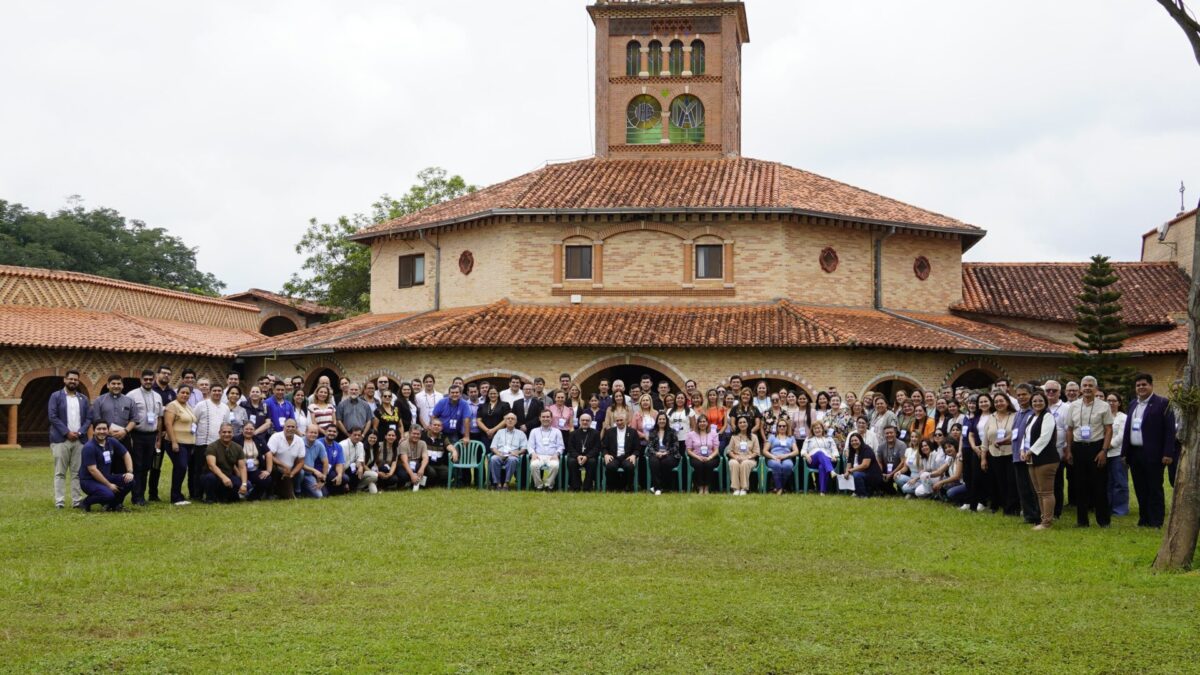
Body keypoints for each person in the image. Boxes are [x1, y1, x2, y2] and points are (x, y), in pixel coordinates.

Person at [1122, 373, 1176, 528]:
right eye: (1138, 385)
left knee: (1154, 488)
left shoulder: (1163, 403)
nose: (1141, 387)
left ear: (1151, 385)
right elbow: (1128, 430)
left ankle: (1156, 520)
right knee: (1140, 487)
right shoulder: (1133, 404)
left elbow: (1169, 431)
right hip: (1135, 453)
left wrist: (1168, 453)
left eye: (1144, 384)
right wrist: (1124, 453)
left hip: (1154, 454)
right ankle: (1144, 518)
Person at [1065, 376, 1113, 528]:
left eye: (1090, 385)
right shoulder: (1073, 406)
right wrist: (1069, 450)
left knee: (1099, 485)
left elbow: (1108, 429)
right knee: (1080, 486)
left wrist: (1104, 450)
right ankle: (1082, 521)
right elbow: (1070, 429)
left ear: (1096, 389)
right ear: (1080, 388)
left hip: (1096, 447)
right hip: (1078, 448)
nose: (1087, 388)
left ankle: (1103, 521)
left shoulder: (1104, 406)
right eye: (1084, 385)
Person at [48, 369, 91, 509]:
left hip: (79, 440)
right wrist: (67, 433)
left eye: (76, 380)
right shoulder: (56, 396)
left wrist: (80, 432)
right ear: (65, 380)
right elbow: (52, 416)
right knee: (60, 472)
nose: (73, 381)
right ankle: (59, 501)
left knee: (77, 472)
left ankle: (76, 501)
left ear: (78, 382)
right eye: (70, 379)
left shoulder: (83, 399)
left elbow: (89, 418)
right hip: (61, 440)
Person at [77, 421, 135, 512]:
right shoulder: (89, 447)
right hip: (89, 481)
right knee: (108, 494)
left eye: (104, 429)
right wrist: (109, 485)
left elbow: (126, 454)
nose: (102, 431)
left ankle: (114, 505)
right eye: (99, 429)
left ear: (108, 430)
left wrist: (129, 472)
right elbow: (93, 470)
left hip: (106, 477)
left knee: (130, 481)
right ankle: (85, 502)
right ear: (94, 431)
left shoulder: (111, 441)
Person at [1022, 391, 1059, 530]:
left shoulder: (1048, 416)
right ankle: (1043, 518)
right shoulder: (1031, 417)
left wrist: (1030, 451)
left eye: (1040, 401)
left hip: (1046, 459)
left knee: (1046, 492)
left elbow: (1045, 437)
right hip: (1032, 459)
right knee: (1039, 492)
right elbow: (1025, 436)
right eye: (1035, 401)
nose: (1037, 403)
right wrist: (1022, 450)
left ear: (1045, 402)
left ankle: (1047, 522)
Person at [1009, 383, 1040, 524]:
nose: (1021, 397)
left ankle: (1038, 515)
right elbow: (1015, 435)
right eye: (1019, 395)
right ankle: (1029, 515)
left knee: (1034, 488)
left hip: (1031, 456)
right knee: (1023, 488)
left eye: (1024, 394)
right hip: (1017, 455)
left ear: (1031, 394)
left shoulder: (1035, 412)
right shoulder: (1017, 414)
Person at [982, 392, 1017, 515]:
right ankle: (1004, 506)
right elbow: (985, 440)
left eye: (1001, 401)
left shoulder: (1015, 416)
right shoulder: (991, 417)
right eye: (996, 402)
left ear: (1007, 402)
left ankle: (1012, 508)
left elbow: (1017, 433)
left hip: (1011, 453)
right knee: (999, 482)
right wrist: (983, 458)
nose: (999, 404)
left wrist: (1005, 440)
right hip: (994, 454)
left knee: (1012, 482)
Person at [163, 385, 197, 506]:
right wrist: (174, 442)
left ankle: (178, 494)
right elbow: (168, 424)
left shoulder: (188, 406)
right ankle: (175, 497)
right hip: (177, 442)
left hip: (188, 443)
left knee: (182, 468)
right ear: (177, 393)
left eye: (187, 393)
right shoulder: (173, 405)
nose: (185, 395)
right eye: (182, 392)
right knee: (181, 467)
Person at [200, 423, 247, 503]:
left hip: (229, 476)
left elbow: (242, 467)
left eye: (229, 432)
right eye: (224, 432)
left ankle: (225, 496)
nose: (227, 434)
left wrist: (244, 484)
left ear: (233, 433)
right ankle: (210, 498)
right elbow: (212, 466)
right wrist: (223, 477)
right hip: (214, 475)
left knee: (244, 486)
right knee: (209, 478)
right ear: (219, 433)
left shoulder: (238, 447)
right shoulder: (212, 447)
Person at [267, 418, 306, 499]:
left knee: (289, 497)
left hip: (289, 472)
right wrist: (284, 466)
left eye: (293, 427)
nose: (290, 429)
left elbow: (301, 462)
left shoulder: (300, 441)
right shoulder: (275, 437)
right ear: (283, 427)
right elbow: (269, 455)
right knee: (273, 469)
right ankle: (270, 493)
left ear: (296, 428)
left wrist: (292, 473)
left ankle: (295, 491)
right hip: (276, 468)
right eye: (288, 426)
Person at [90, 374, 135, 444]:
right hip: (104, 438)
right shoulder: (99, 400)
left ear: (122, 385)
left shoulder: (130, 401)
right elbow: (96, 419)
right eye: (113, 384)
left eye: (119, 384)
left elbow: (134, 420)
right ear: (108, 385)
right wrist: (107, 430)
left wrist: (125, 431)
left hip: (124, 437)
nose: (116, 386)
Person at [602, 411, 641, 492]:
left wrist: (634, 455)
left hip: (627, 456)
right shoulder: (609, 432)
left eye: (621, 420)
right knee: (610, 466)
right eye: (617, 420)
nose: (619, 422)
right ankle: (612, 487)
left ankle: (628, 487)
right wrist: (606, 455)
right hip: (614, 456)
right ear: (615, 422)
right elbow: (604, 447)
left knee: (629, 466)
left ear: (626, 420)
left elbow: (637, 448)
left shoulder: (633, 432)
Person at [1106, 391, 1130, 517]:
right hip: (1104, 454)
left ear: (1119, 403)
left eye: (1114, 401)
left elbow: (1122, 435)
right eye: (1108, 400)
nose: (1111, 403)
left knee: (1119, 482)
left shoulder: (1123, 418)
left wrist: (1109, 445)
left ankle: (1120, 509)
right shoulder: (1103, 416)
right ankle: (1108, 507)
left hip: (1117, 453)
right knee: (1108, 482)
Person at [488, 413, 527, 490]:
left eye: (512, 419)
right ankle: (498, 483)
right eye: (508, 418)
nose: (510, 420)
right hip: (500, 454)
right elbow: (493, 446)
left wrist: (517, 453)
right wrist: (499, 454)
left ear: (516, 421)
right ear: (505, 421)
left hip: (513, 455)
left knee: (512, 460)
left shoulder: (521, 433)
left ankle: (506, 483)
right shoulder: (499, 432)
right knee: (493, 459)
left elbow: (524, 448)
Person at [528, 410, 564, 491]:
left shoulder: (557, 431)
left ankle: (549, 485)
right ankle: (539, 486)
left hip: (552, 456)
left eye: (548, 417)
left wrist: (557, 454)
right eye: (543, 417)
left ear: (551, 419)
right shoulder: (534, 431)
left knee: (554, 466)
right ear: (539, 418)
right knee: (533, 465)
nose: (545, 419)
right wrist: (533, 453)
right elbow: (530, 446)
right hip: (538, 456)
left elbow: (561, 446)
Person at [645, 412, 679, 495]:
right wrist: (656, 453)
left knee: (665, 462)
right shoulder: (652, 431)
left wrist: (666, 452)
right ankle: (658, 488)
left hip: (670, 454)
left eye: (663, 419)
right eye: (660, 419)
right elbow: (650, 446)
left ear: (666, 421)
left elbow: (676, 446)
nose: (662, 421)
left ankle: (659, 487)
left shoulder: (672, 431)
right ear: (657, 421)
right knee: (654, 462)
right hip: (656, 454)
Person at [801, 420, 838, 494]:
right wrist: (806, 455)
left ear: (822, 429)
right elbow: (803, 450)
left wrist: (834, 456)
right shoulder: (809, 439)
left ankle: (822, 491)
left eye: (819, 428)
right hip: (812, 460)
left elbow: (834, 450)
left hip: (828, 460)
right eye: (815, 428)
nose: (817, 430)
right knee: (819, 452)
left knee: (822, 467)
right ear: (812, 430)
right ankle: (831, 470)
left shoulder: (829, 439)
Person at [686, 415, 721, 494]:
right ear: (697, 423)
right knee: (699, 464)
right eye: (700, 422)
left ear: (707, 423)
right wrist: (698, 457)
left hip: (711, 457)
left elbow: (716, 450)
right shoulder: (691, 434)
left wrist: (710, 457)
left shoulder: (713, 433)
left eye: (704, 421)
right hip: (696, 457)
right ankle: (700, 487)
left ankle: (707, 487)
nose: (702, 423)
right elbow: (688, 450)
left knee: (708, 464)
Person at [566, 412, 600, 491]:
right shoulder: (573, 433)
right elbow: (570, 447)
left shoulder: (595, 433)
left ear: (591, 422)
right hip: (576, 456)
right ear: (579, 421)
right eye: (583, 420)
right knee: (571, 462)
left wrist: (587, 456)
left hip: (589, 456)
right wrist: (577, 456)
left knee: (592, 462)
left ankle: (587, 486)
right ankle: (575, 485)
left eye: (587, 420)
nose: (585, 422)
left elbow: (597, 448)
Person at [339, 426, 379, 493]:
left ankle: (357, 488)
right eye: (355, 435)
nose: (357, 437)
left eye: (359, 435)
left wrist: (360, 467)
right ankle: (348, 486)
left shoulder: (360, 444)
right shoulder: (342, 445)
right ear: (350, 435)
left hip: (354, 471)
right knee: (348, 477)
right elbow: (340, 464)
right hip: (342, 471)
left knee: (374, 476)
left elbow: (360, 460)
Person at [727, 416, 760, 496]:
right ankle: (736, 489)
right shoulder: (734, 437)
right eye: (740, 423)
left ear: (748, 424)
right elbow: (729, 451)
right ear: (737, 425)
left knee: (745, 463)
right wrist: (735, 457)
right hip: (736, 458)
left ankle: (744, 488)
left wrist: (747, 457)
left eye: (744, 422)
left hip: (750, 459)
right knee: (733, 463)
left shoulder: (754, 437)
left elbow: (757, 452)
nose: (742, 424)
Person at [240, 421, 273, 500]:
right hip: (240, 470)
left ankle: (253, 497)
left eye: (251, 429)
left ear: (254, 430)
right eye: (246, 429)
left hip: (255, 469)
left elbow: (268, 454)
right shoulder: (236, 439)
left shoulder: (259, 440)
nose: (249, 431)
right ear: (242, 430)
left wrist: (268, 471)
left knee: (266, 479)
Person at [844, 432, 883, 498]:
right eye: (852, 441)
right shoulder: (852, 451)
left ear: (860, 440)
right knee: (852, 474)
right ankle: (857, 492)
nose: (854, 442)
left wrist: (851, 470)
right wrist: (847, 472)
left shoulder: (867, 449)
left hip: (872, 475)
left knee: (857, 474)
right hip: (862, 474)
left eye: (856, 440)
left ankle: (863, 495)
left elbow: (865, 465)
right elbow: (849, 464)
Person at [765, 419, 798, 495]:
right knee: (777, 465)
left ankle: (779, 487)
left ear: (787, 427)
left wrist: (785, 456)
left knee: (788, 466)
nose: (782, 427)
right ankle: (780, 488)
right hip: (774, 457)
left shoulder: (791, 438)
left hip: (786, 457)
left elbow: (796, 451)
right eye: (779, 426)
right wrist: (773, 457)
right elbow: (765, 451)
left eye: (784, 426)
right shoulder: (772, 437)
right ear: (777, 427)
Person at [421, 419, 456, 487]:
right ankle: (425, 484)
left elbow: (449, 445)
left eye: (439, 425)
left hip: (439, 464)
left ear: (441, 428)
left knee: (448, 473)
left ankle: (437, 483)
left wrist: (454, 451)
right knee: (432, 473)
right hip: (426, 464)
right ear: (430, 426)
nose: (437, 427)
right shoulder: (423, 436)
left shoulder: (443, 437)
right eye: (435, 425)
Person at [296, 425, 329, 498]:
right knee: (301, 473)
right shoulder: (299, 442)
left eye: (315, 433)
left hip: (308, 475)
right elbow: (298, 463)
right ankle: (297, 492)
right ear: (306, 432)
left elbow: (325, 462)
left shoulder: (319, 445)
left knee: (319, 496)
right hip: (297, 472)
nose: (313, 434)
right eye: (311, 432)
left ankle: (304, 491)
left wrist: (323, 479)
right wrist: (314, 470)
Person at [876, 426, 907, 493]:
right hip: (886, 471)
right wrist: (881, 473)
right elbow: (879, 462)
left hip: (898, 471)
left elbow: (902, 462)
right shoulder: (881, 446)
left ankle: (901, 490)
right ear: (884, 434)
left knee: (899, 478)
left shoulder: (902, 445)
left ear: (895, 433)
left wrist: (892, 474)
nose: (889, 435)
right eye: (887, 433)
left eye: (891, 433)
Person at [399, 426, 429, 491]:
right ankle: (407, 484)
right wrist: (412, 475)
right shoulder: (403, 444)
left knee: (428, 469)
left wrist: (422, 468)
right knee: (404, 475)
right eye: (414, 433)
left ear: (421, 435)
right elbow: (404, 462)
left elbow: (425, 457)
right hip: (405, 465)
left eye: (418, 434)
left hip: (417, 464)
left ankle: (420, 485)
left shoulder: (423, 443)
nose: (416, 436)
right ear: (409, 433)